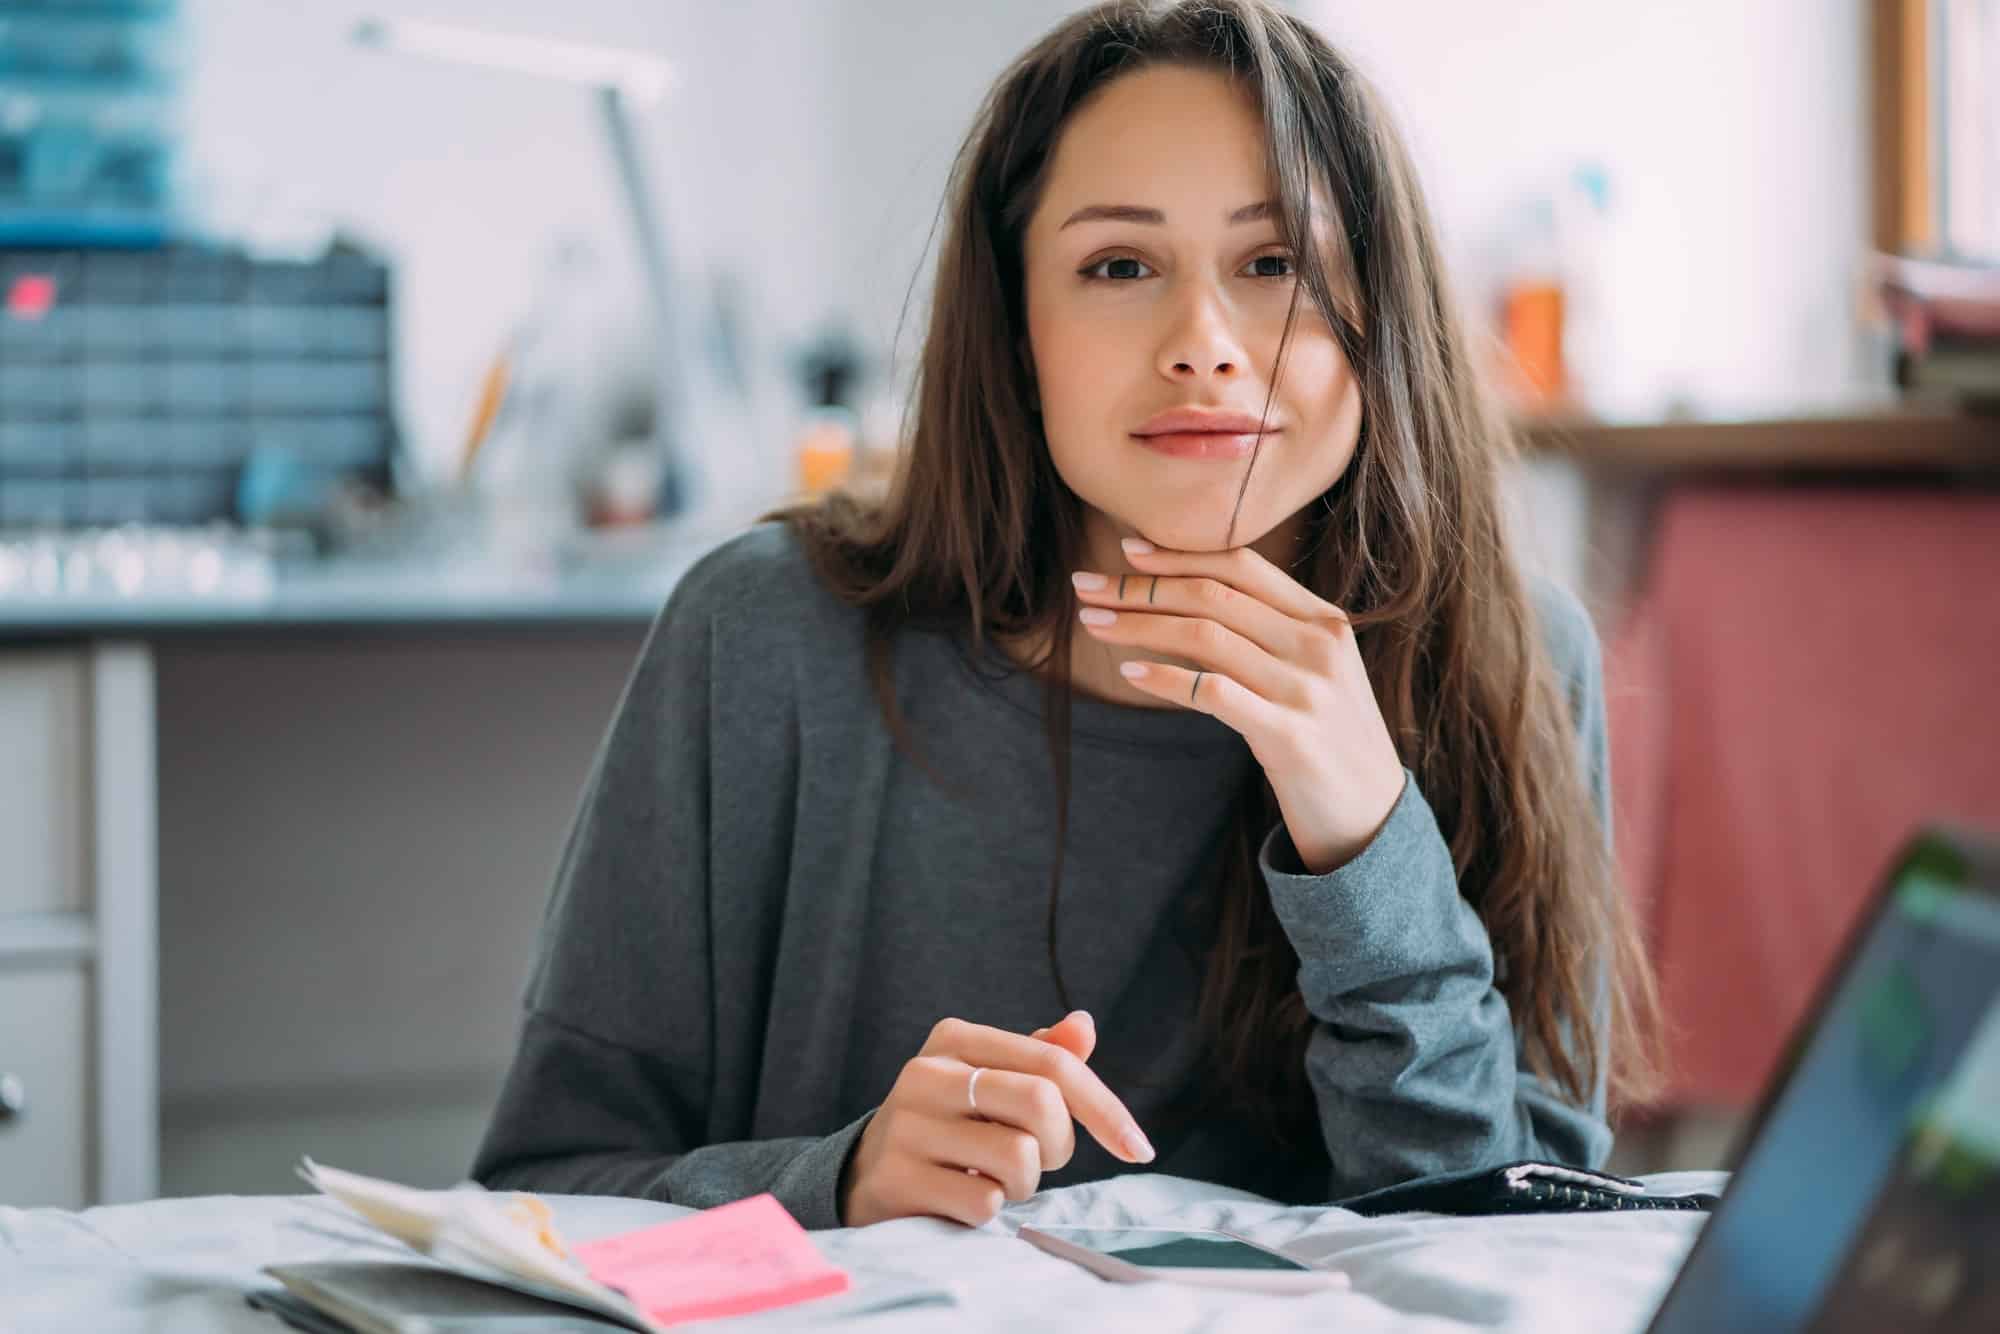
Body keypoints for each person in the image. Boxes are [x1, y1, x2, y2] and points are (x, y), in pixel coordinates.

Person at [472, 0, 1659, 1231]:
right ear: (1017, 325)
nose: (1202, 344)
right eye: (1117, 267)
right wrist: (838, 1179)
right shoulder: (764, 635)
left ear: (1383, 322)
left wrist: (1366, 838)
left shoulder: (1514, 655)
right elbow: (537, 1193)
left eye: (1276, 265)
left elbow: (1522, 1251)